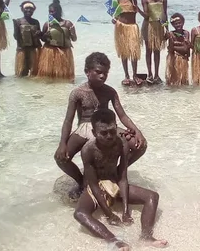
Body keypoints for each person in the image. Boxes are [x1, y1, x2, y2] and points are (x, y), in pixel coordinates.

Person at [54, 52, 147, 198]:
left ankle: (117, 173)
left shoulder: (110, 91)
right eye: (98, 72)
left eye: (106, 73)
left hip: (108, 127)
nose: (102, 76)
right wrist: (62, 143)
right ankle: (81, 181)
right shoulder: (77, 93)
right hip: (85, 127)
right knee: (60, 158)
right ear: (87, 72)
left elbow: (122, 115)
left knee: (141, 145)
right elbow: (68, 120)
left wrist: (137, 131)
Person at [74, 108, 167, 249]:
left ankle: (146, 236)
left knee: (152, 196)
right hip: (96, 186)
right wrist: (109, 214)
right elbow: (92, 184)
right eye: (103, 133)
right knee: (80, 213)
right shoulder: (88, 150)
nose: (109, 136)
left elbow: (123, 177)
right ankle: (114, 240)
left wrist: (125, 211)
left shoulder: (121, 143)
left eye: (112, 131)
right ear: (94, 133)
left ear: (116, 127)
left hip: (114, 181)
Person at [113, 0, 144, 86]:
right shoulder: (117, 0)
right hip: (121, 27)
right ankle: (126, 75)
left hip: (132, 27)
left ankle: (135, 75)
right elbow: (114, 15)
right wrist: (114, 20)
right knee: (124, 52)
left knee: (134, 52)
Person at [36, 0, 76, 81]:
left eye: (52, 12)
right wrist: (42, 35)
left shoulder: (68, 24)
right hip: (49, 52)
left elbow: (74, 39)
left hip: (64, 52)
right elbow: (44, 40)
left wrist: (72, 32)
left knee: (64, 77)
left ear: (58, 12)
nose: (50, 14)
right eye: (49, 12)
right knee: (48, 76)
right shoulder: (47, 24)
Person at [140, 0, 168, 84]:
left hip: (159, 26)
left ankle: (156, 74)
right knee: (148, 50)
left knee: (157, 51)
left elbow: (165, 14)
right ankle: (150, 74)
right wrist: (137, 10)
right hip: (148, 26)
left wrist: (167, 29)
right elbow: (146, 16)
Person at [13, 1, 42, 77]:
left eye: (31, 9)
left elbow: (40, 37)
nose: (29, 10)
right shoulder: (18, 21)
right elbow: (16, 37)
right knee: (21, 73)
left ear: (33, 10)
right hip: (22, 49)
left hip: (33, 49)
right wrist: (15, 27)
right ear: (22, 10)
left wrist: (40, 33)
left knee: (34, 73)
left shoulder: (36, 22)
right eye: (26, 8)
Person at [164, 13, 190, 86]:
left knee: (183, 80)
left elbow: (185, 49)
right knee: (172, 79)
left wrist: (172, 47)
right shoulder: (171, 34)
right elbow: (164, 39)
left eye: (179, 23)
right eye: (176, 24)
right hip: (173, 58)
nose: (178, 25)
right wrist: (166, 34)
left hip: (183, 58)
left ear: (183, 22)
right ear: (172, 25)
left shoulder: (186, 33)